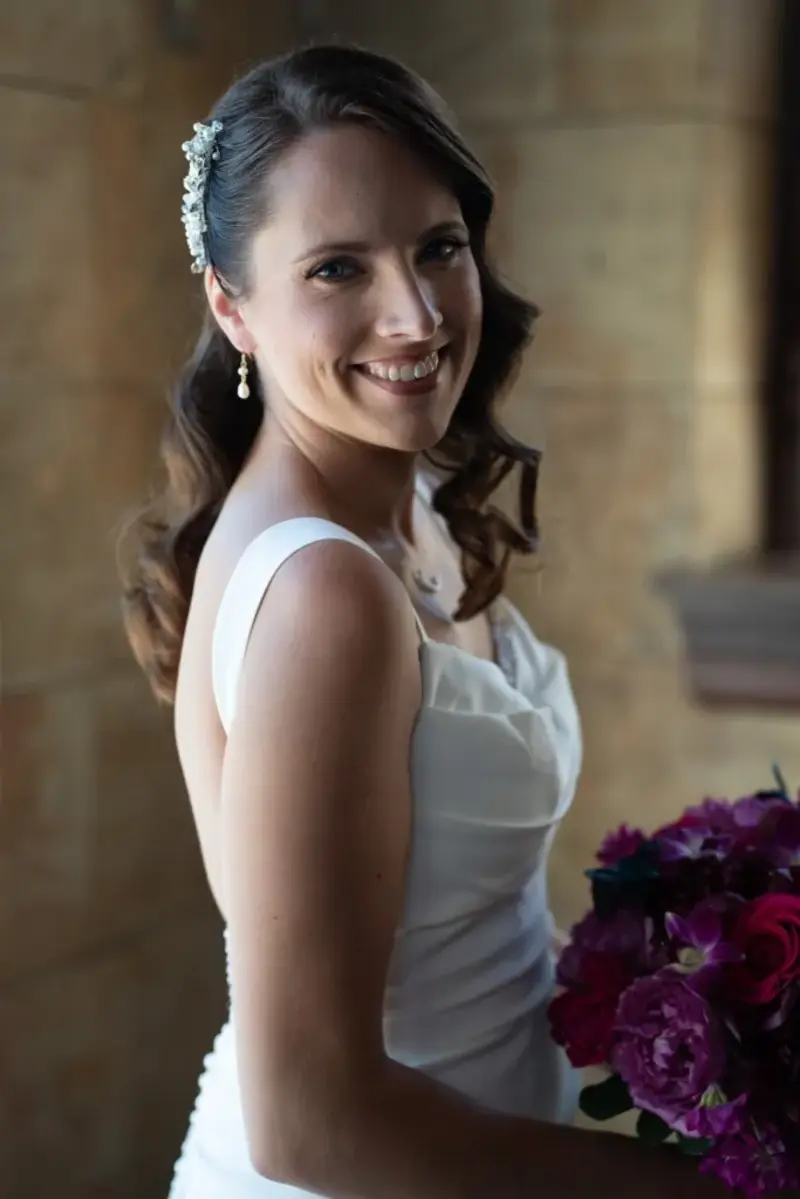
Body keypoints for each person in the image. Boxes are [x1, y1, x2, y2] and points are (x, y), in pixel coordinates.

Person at [119, 43, 723, 1199]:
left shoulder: (419, 507)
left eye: (437, 248)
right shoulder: (323, 593)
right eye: (337, 268)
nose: (413, 313)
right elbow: (310, 1126)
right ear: (231, 308)